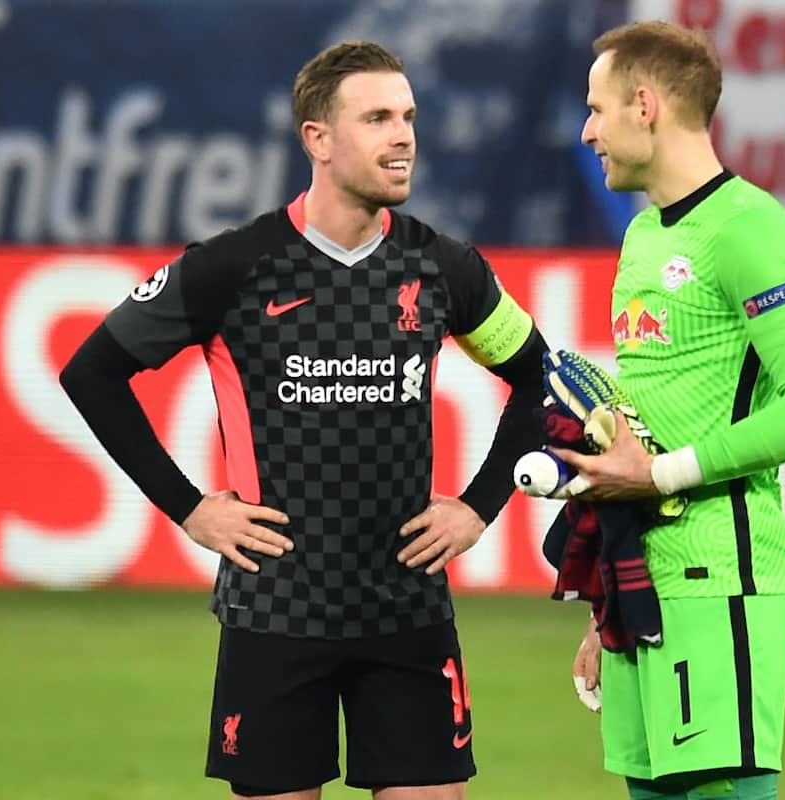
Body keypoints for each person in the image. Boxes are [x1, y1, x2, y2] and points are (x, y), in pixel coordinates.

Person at [59, 41, 549, 800]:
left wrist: (479, 507)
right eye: (378, 117)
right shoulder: (234, 267)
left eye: (409, 116)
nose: (403, 136)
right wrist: (190, 509)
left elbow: (538, 380)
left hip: (407, 609)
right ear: (317, 139)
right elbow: (91, 372)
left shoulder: (444, 268)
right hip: (278, 612)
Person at [550, 20, 785, 800]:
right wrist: (604, 608)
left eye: (597, 108)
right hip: (646, 588)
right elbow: (646, 423)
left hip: (724, 577)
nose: (587, 132)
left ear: (645, 106)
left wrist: (662, 475)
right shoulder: (644, 234)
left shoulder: (748, 229)